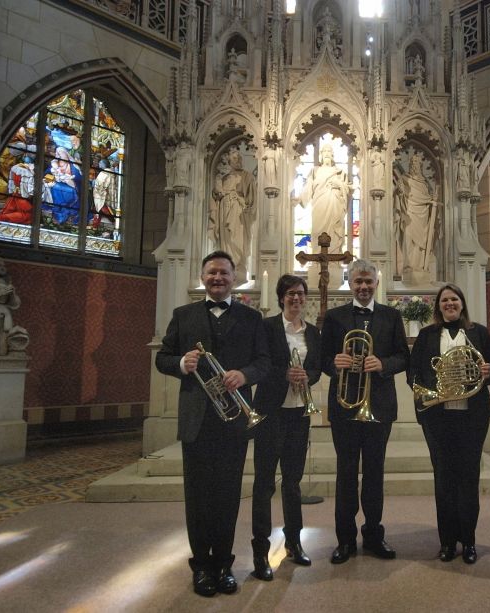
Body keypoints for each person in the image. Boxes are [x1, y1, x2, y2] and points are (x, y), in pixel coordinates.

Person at [155, 251, 270, 597]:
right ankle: (201, 565)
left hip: (234, 419)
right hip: (198, 420)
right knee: (198, 495)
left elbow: (264, 362)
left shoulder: (251, 318)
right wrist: (181, 363)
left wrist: (243, 374)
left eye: (224, 273)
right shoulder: (183, 314)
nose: (217, 278)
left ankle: (223, 563)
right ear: (203, 277)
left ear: (234, 278)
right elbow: (162, 357)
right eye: (212, 273)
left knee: (228, 494)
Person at [321, 258, 408, 563]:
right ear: (350, 283)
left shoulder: (391, 315)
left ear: (376, 284)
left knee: (374, 474)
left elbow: (403, 356)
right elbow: (322, 359)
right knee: (346, 474)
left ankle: (374, 535)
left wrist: (383, 364)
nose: (363, 287)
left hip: (378, 407)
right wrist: (335, 363)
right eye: (358, 281)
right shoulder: (333, 317)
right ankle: (345, 540)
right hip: (345, 408)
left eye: (368, 282)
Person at [407, 284, 490, 564]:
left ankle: (468, 542)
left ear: (462, 303)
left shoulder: (478, 332)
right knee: (444, 480)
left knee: (469, 479)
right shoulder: (426, 335)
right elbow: (414, 373)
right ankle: (447, 542)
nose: (450, 303)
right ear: (438, 305)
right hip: (438, 417)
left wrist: (486, 371)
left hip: (472, 417)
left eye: (454, 299)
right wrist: (433, 391)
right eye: (445, 300)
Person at [250, 274, 321, 579]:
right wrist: (285, 375)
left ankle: (293, 542)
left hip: (298, 414)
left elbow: (316, 367)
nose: (296, 298)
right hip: (270, 413)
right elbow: (259, 365)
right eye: (291, 294)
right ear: (281, 298)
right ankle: (260, 551)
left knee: (292, 482)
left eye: (301, 294)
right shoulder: (266, 327)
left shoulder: (313, 332)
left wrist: (308, 376)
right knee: (264, 483)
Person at [209, 150, 256, 281]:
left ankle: (238, 267)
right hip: (224, 211)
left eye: (239, 158)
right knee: (226, 239)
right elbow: (216, 196)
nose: (238, 161)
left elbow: (251, 199)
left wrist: (241, 201)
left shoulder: (247, 176)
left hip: (238, 213)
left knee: (238, 239)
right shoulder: (223, 178)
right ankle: (226, 267)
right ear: (229, 162)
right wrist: (218, 191)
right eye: (234, 159)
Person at [297, 143, 349, 256]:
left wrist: (339, 184)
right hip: (319, 205)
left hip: (334, 205)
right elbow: (308, 187)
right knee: (317, 231)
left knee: (333, 233)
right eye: (324, 151)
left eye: (329, 151)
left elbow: (347, 189)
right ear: (321, 155)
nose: (327, 153)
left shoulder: (339, 172)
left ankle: (334, 255)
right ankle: (317, 256)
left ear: (332, 155)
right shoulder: (315, 171)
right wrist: (300, 198)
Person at [394, 153, 441, 274]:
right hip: (409, 213)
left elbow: (427, 198)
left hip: (422, 215)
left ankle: (420, 267)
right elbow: (399, 196)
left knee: (422, 243)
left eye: (417, 163)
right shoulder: (404, 179)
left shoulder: (424, 183)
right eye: (413, 163)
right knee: (408, 238)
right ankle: (408, 266)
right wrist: (400, 192)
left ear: (420, 166)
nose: (415, 165)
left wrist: (432, 198)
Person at [0, 257, 29, 357]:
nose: (2, 268)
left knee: (3, 349)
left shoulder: (7, 282)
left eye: (3, 266)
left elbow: (15, 304)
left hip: (5, 314)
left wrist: (12, 294)